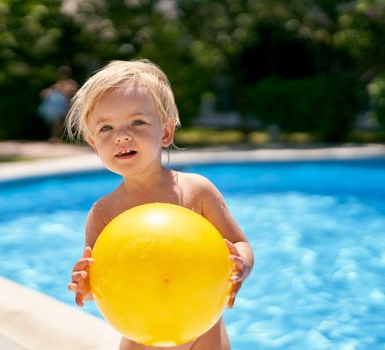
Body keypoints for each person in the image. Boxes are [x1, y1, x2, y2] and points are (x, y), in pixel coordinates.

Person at [66, 59, 254, 350]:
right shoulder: (103, 213)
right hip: (141, 336)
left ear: (165, 132)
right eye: (106, 128)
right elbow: (101, 288)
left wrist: (240, 265)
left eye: (137, 122)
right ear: (94, 144)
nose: (122, 135)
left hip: (203, 329)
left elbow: (241, 244)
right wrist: (85, 284)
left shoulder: (197, 191)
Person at [37, 67, 78, 142]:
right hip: (62, 107)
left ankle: (62, 138)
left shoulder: (70, 83)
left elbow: (72, 94)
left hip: (68, 106)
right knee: (58, 123)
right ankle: (56, 138)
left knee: (68, 123)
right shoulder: (61, 84)